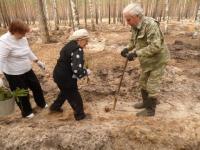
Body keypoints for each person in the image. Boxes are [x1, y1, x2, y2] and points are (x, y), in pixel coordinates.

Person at [121, 3, 170, 116]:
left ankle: (150, 110)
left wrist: (135, 53)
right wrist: (126, 48)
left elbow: (155, 46)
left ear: (137, 16)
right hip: (147, 61)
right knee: (143, 82)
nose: (127, 23)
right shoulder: (135, 26)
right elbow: (133, 41)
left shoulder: (150, 25)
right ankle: (146, 103)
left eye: (128, 20)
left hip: (158, 60)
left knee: (152, 85)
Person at [0, 20, 47, 118]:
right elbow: (1, 59)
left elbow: (28, 51)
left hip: (27, 69)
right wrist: (0, 76)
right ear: (15, 31)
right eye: (22, 33)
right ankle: (26, 112)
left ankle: (41, 103)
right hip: (14, 74)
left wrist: (37, 61)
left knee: (36, 87)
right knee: (22, 93)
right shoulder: (4, 42)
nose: (24, 35)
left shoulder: (23, 39)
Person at [49, 29, 91, 121]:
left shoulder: (69, 45)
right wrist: (86, 72)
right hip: (65, 77)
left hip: (58, 74)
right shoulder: (77, 49)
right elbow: (77, 70)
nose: (87, 43)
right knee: (74, 96)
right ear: (80, 39)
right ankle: (80, 115)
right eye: (86, 40)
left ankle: (55, 107)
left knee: (64, 92)